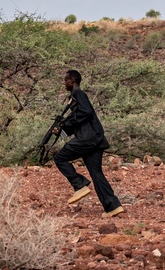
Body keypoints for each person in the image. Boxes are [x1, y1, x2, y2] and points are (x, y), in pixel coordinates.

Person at [52, 69, 124, 218]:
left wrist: (66, 121)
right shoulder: (75, 98)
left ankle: (79, 184)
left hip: (87, 139)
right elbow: (80, 121)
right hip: (94, 139)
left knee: (60, 157)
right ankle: (113, 206)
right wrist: (61, 128)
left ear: (72, 80)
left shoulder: (78, 94)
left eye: (66, 80)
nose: (65, 83)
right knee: (96, 173)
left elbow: (85, 112)